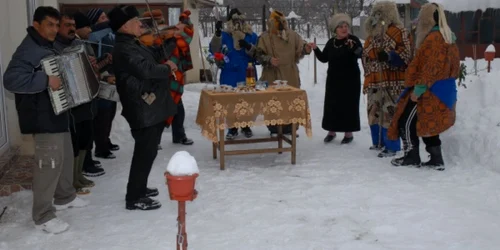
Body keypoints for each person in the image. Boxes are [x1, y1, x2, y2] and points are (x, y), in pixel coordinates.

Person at [3, 6, 88, 234]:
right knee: (48, 166)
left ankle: (64, 197)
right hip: (41, 117)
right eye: (49, 24)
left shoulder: (46, 45)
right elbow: (10, 80)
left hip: (57, 111)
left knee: (65, 157)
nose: (54, 29)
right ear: (36, 24)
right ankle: (42, 216)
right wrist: (45, 80)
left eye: (55, 24)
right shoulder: (28, 48)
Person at [108, 5, 177, 210]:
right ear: (125, 26)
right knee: (144, 153)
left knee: (148, 153)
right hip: (141, 108)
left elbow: (154, 55)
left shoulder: (133, 43)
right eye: (136, 21)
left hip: (149, 107)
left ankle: (140, 188)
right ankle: (134, 197)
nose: (141, 24)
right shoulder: (124, 48)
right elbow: (146, 70)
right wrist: (167, 68)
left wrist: (171, 39)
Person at [388, 2, 460, 171]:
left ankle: (411, 156)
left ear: (428, 19)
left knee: (406, 120)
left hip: (429, 90)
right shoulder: (448, 37)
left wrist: (418, 91)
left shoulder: (434, 39)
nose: (419, 21)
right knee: (429, 122)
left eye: (421, 18)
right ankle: (436, 159)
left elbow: (430, 68)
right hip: (443, 91)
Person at [54, 12, 99, 194]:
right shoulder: (53, 47)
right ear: (58, 27)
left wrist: (92, 64)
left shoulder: (80, 44)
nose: (72, 28)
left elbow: (89, 70)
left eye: (73, 25)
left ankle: (78, 174)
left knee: (85, 138)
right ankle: (71, 178)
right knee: (73, 140)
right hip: (69, 103)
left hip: (85, 98)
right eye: (67, 25)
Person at [362, 0, 413, 157]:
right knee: (374, 112)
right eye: (375, 13)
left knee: (390, 113)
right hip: (374, 82)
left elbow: (408, 53)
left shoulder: (399, 31)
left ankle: (391, 146)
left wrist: (391, 56)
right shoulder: (371, 35)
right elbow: (366, 55)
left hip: (393, 82)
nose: (377, 17)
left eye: (380, 13)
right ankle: (378, 142)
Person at [256, 10, 312, 136]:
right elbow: (258, 54)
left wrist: (306, 49)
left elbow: (300, 49)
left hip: (290, 74)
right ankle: (274, 128)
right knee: (272, 102)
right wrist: (269, 60)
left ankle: (290, 128)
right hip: (272, 74)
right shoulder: (265, 37)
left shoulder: (292, 35)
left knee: (291, 101)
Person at [310, 13, 362, 144]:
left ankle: (348, 133)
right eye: (341, 27)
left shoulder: (353, 40)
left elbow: (361, 53)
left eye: (346, 26)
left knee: (348, 105)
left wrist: (353, 48)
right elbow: (324, 58)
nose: (344, 29)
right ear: (335, 30)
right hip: (334, 80)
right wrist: (316, 49)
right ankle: (331, 131)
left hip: (350, 80)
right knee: (332, 105)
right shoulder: (331, 42)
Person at [210, 8, 259, 139]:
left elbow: (258, 55)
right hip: (229, 73)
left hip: (247, 72)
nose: (237, 23)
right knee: (230, 101)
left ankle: (246, 125)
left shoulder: (251, 35)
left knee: (247, 100)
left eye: (240, 20)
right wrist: (217, 34)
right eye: (234, 20)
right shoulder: (224, 35)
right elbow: (214, 49)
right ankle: (232, 128)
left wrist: (249, 47)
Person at [86, 8, 120, 160]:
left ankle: (105, 139)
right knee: (103, 113)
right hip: (101, 75)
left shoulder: (111, 35)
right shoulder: (93, 35)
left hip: (112, 74)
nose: (105, 20)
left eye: (106, 17)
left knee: (111, 110)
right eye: (101, 18)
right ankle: (101, 147)